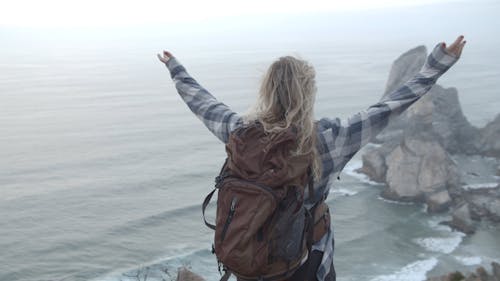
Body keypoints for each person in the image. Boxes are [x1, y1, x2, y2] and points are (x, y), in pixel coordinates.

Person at [157, 35, 466, 281]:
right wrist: (438, 64)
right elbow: (390, 106)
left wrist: (176, 69)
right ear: (309, 93)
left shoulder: (240, 133)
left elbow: (204, 104)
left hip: (251, 261)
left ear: (266, 89)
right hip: (306, 267)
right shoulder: (330, 139)